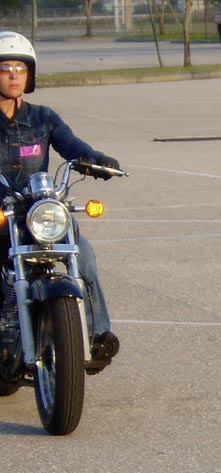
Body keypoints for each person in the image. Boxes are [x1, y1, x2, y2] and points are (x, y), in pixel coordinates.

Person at [0, 31, 121, 362]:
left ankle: (94, 336)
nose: (13, 75)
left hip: (38, 211)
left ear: (30, 75)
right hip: (3, 215)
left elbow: (71, 145)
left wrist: (95, 159)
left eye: (20, 68)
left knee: (82, 253)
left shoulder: (43, 118)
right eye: (5, 68)